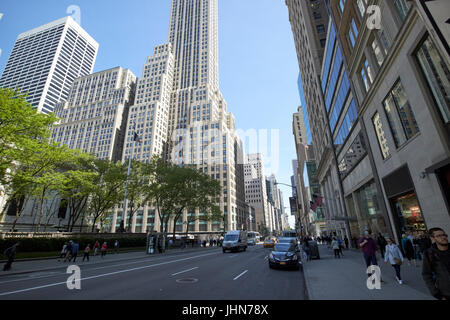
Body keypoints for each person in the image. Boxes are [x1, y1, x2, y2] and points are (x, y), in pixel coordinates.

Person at [422, 227, 450, 300]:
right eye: (439, 236)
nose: (443, 237)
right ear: (433, 238)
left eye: (444, 235)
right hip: (446, 293)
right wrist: (436, 293)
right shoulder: (429, 254)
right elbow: (426, 274)